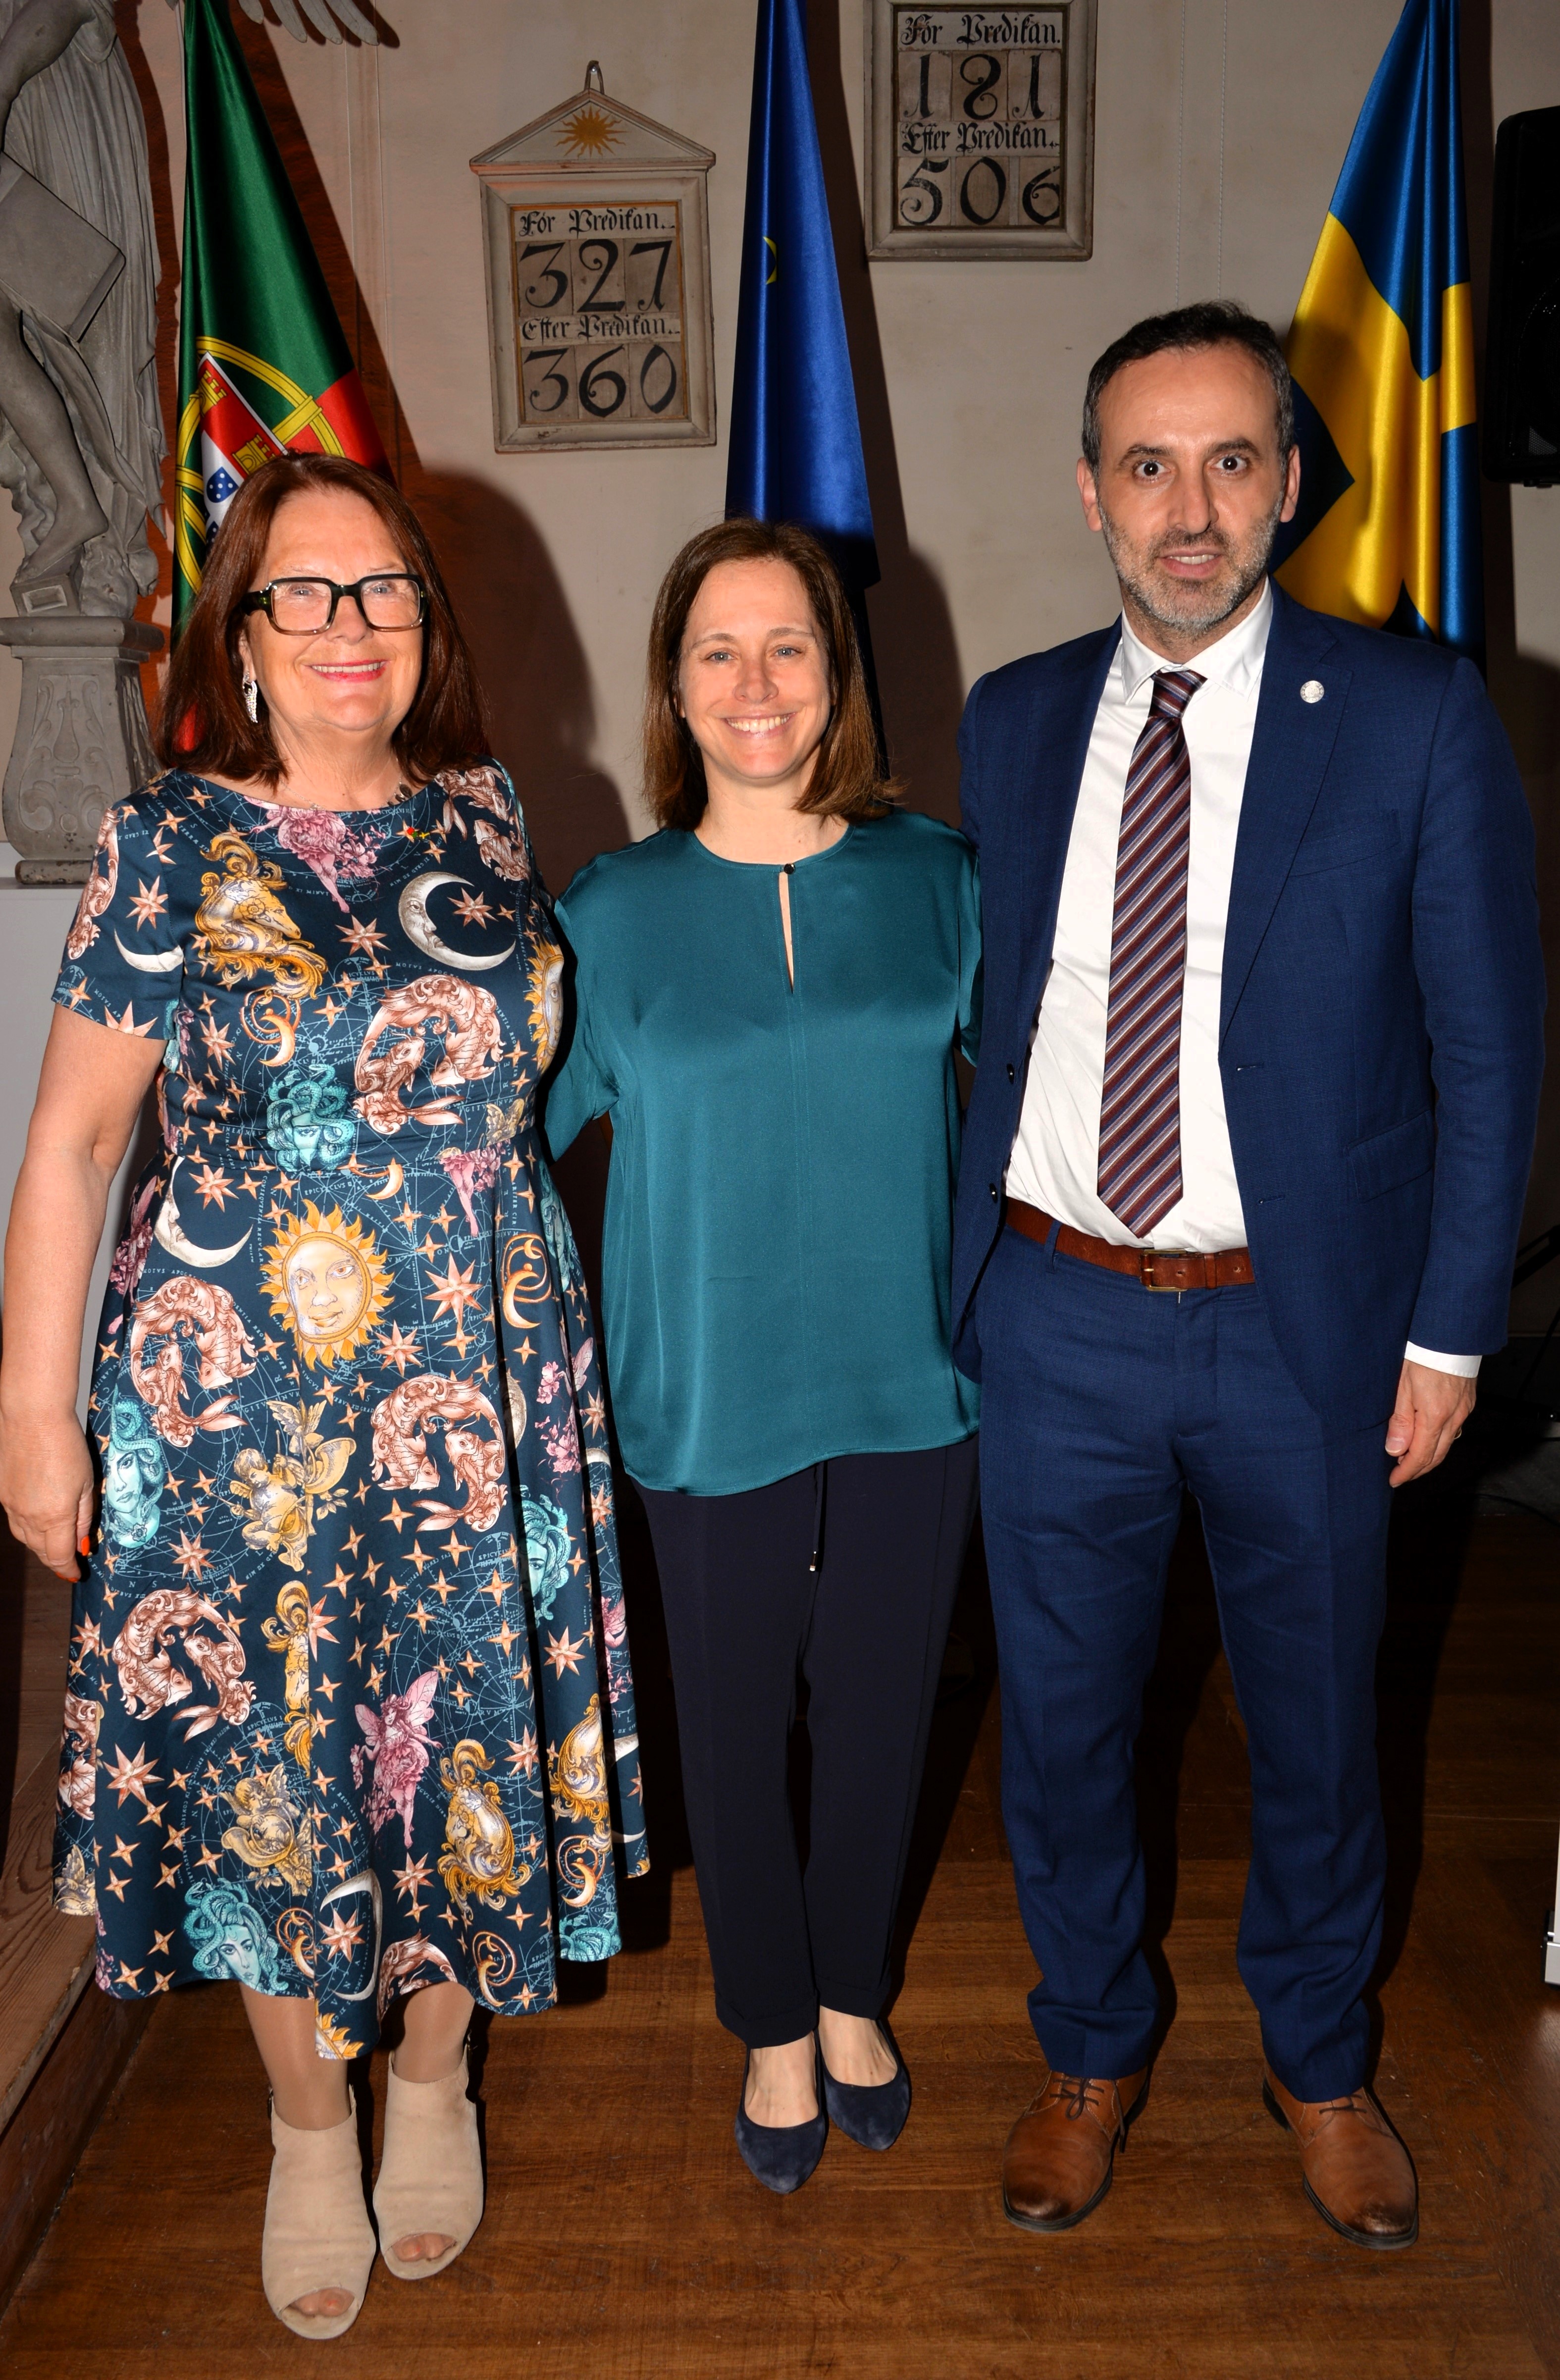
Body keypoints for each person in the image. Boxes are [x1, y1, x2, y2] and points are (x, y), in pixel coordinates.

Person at [0, 451, 645, 2338]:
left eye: (384, 590)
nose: (349, 625)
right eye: (304, 590)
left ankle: (433, 2074)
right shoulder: (165, 843)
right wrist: (34, 1413)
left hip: (480, 1372)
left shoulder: (488, 814)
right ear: (243, 634)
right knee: (275, 1763)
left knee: (467, 1742)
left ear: (427, 624)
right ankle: (304, 2121)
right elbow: (74, 1147)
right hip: (236, 1407)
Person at [952, 302, 1545, 2248]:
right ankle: (1086, 2048)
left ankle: (1320, 2056)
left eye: (1229, 461)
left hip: (1312, 1333)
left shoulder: (1410, 714)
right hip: (1056, 1311)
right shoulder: (1013, 718)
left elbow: (1487, 1047)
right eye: (1148, 464)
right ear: (1090, 492)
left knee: (1316, 1727)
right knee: (1059, 1728)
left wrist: (1450, 1330)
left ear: (1289, 482)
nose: (1188, 508)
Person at [544, 518, 981, 2193]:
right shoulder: (609, 914)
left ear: (836, 671)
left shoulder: (941, 878)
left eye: (788, 643)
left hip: (913, 1378)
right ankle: (771, 2022)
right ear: (672, 685)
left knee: (881, 1704)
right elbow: (501, 1153)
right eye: (716, 649)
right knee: (729, 1722)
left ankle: (853, 1991)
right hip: (703, 1383)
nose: (755, 681)